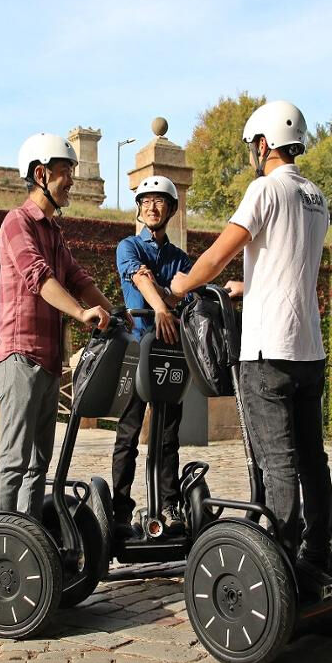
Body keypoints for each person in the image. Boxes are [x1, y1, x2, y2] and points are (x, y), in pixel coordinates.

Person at [170, 100, 332, 591]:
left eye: (252, 146)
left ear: (263, 144)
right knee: (312, 460)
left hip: (268, 351)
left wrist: (182, 285)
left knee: (276, 462)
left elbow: (218, 256)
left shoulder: (264, 189)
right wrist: (250, 287)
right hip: (310, 347)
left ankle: (279, 566)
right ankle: (317, 555)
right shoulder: (316, 196)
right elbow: (290, 263)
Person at [0, 132, 117, 518]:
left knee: (38, 465)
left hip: (47, 360)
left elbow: (77, 279)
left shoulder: (53, 232)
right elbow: (39, 277)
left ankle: (30, 538)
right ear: (41, 174)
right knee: (15, 459)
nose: (72, 181)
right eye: (65, 172)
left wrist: (118, 314)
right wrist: (81, 314)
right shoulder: (17, 222)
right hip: (19, 355)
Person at [112, 176, 192, 536]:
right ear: (139, 208)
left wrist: (169, 299)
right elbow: (139, 278)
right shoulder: (128, 246)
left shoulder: (180, 259)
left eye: (159, 201)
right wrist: (162, 305)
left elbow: (190, 294)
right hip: (136, 349)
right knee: (128, 433)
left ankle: (169, 506)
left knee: (168, 435)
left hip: (169, 354)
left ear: (172, 209)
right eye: (145, 201)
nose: (152, 207)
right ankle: (119, 509)